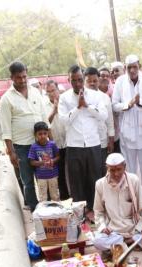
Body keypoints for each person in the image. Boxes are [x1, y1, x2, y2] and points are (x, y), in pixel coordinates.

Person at [0, 61, 50, 211]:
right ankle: (35, 211)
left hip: (40, 144)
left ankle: (47, 209)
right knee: (27, 181)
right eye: (18, 77)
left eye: (24, 76)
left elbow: (43, 116)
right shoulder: (6, 99)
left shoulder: (35, 92)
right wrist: (11, 151)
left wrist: (50, 141)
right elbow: (5, 128)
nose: (22, 80)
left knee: (44, 177)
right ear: (11, 78)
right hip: (21, 146)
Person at [93, 153, 142, 251]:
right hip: (114, 231)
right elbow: (98, 211)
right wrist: (102, 227)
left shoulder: (133, 180)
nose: (116, 174)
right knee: (98, 241)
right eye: (112, 170)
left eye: (119, 169)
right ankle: (131, 242)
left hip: (135, 228)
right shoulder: (100, 184)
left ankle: (123, 244)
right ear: (107, 168)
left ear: (125, 167)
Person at [59, 65, 107, 210]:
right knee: (76, 182)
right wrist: (78, 108)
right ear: (69, 80)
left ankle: (95, 211)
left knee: (95, 179)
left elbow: (103, 116)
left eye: (80, 80)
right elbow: (63, 120)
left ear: (83, 79)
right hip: (74, 145)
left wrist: (87, 106)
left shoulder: (95, 96)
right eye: (74, 80)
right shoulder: (64, 97)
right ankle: (80, 214)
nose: (78, 84)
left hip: (93, 143)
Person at [112, 54, 142, 195]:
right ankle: (132, 198)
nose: (132, 70)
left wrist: (140, 103)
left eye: (135, 67)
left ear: (139, 66)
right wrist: (128, 104)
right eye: (129, 67)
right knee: (129, 169)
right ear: (125, 68)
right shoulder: (120, 82)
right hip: (128, 133)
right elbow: (114, 105)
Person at [85, 67, 115, 175]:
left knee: (103, 172)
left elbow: (110, 120)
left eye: (95, 81)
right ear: (85, 81)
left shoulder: (104, 97)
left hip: (102, 141)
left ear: (99, 80)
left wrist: (111, 139)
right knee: (90, 173)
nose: (92, 83)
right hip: (87, 143)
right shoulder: (80, 97)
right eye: (89, 81)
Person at [45, 80, 70, 200]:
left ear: (58, 89)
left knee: (72, 171)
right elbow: (45, 124)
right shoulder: (44, 106)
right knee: (59, 173)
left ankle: (74, 196)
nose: (51, 94)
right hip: (55, 144)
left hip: (69, 142)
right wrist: (54, 110)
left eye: (53, 90)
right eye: (48, 92)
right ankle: (64, 198)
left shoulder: (66, 102)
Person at [28, 122, 60, 202]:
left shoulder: (52, 144)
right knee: (43, 198)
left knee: (55, 196)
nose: (42, 136)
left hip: (53, 176)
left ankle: (57, 213)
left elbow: (58, 156)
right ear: (35, 135)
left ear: (48, 134)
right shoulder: (34, 147)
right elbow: (31, 162)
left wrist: (52, 160)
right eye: (40, 134)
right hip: (41, 177)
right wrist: (42, 163)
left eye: (45, 133)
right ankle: (44, 213)